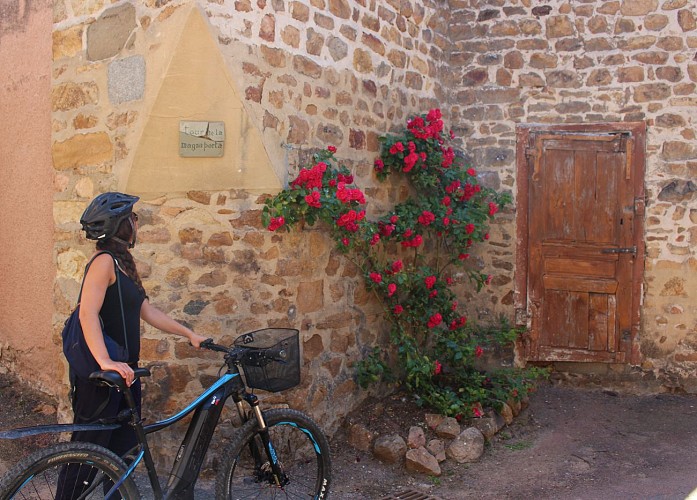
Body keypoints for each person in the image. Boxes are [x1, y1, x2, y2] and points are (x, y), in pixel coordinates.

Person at [58, 192, 207, 498]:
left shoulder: (122, 264)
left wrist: (187, 333)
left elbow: (147, 311)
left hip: (126, 375)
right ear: (120, 225)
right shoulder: (103, 263)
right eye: (133, 217)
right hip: (104, 379)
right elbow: (87, 313)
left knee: (122, 456)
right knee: (86, 458)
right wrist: (105, 362)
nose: (137, 222)